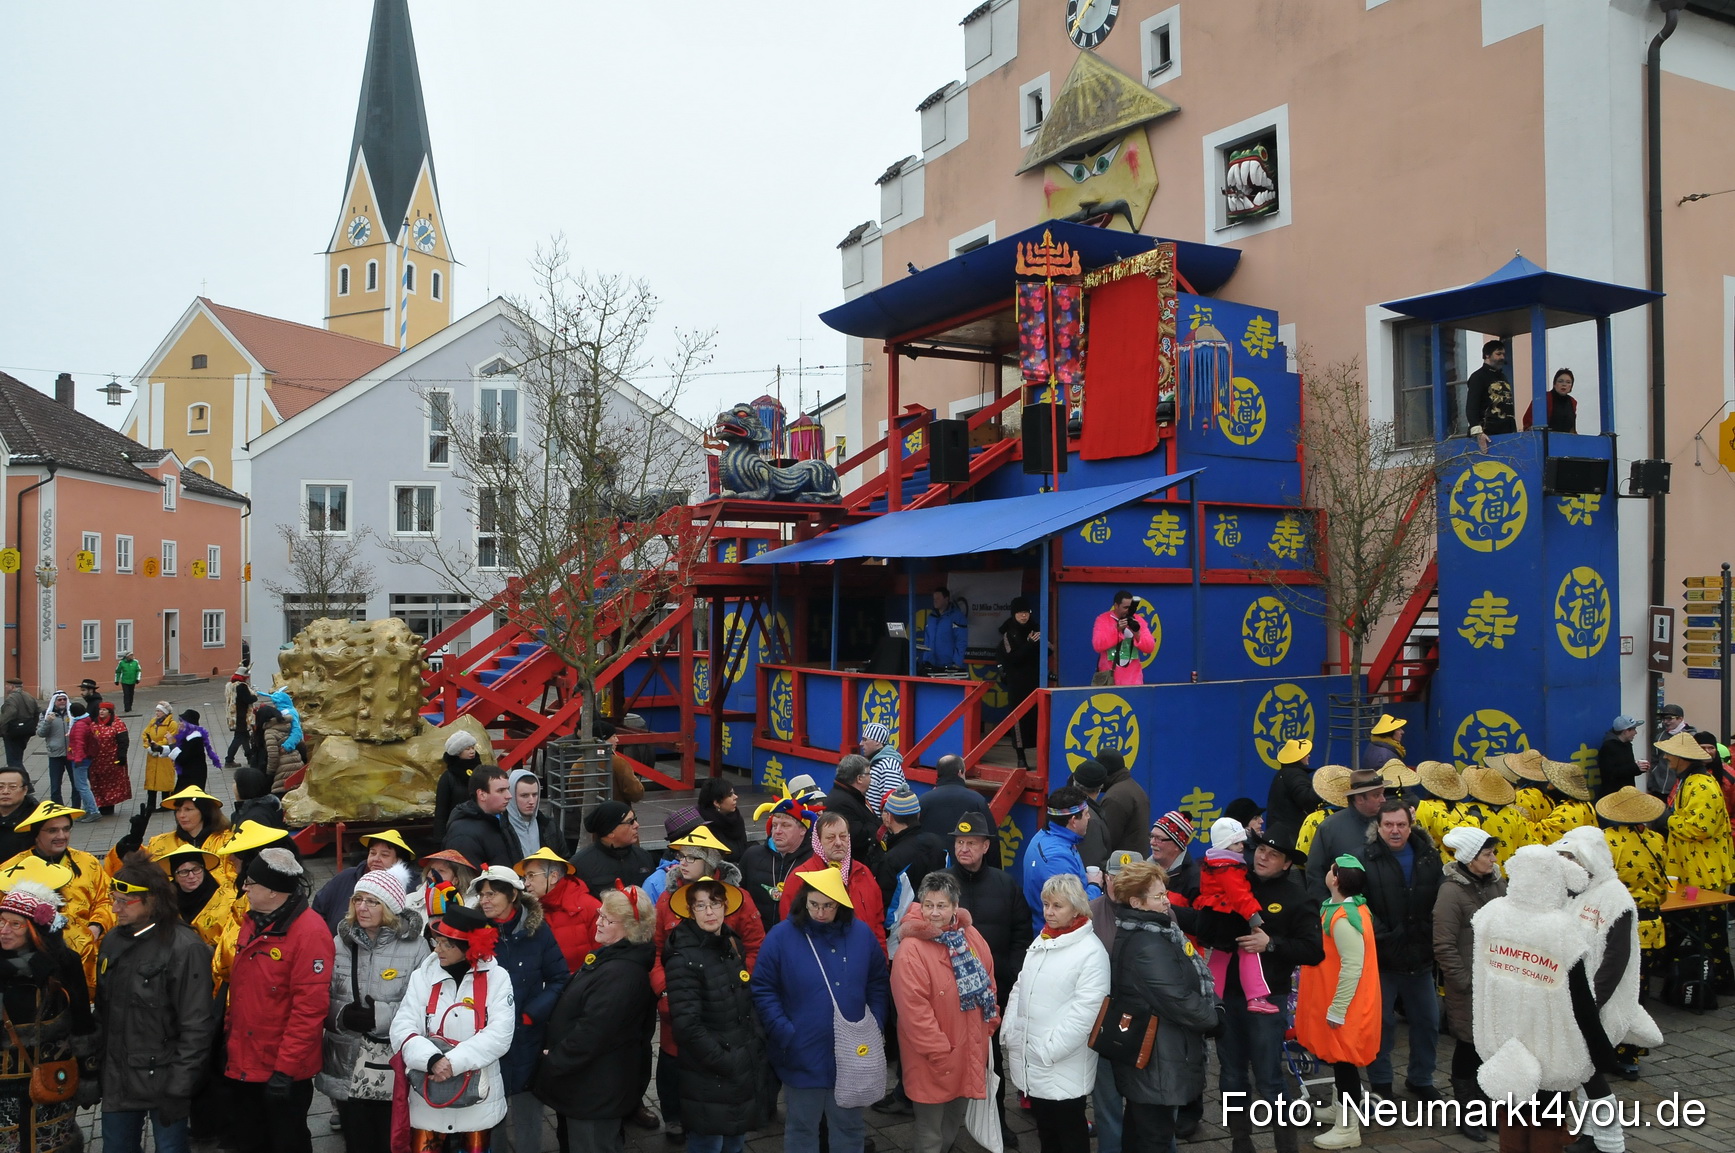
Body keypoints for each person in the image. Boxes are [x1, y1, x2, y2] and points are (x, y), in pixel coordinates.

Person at [1468, 847, 1607, 1153]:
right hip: (1549, 1044)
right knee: (1548, 1121)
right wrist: (1599, 1048)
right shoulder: (1561, 928)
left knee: (1511, 1113)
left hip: (1502, 1037)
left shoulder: (1491, 915)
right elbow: (1580, 997)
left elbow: (1479, 973)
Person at [751, 867, 891, 1153]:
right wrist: (783, 1030)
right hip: (800, 1052)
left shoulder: (861, 934)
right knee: (801, 1129)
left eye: (828, 906)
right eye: (814, 904)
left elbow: (878, 981)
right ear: (804, 901)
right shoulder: (781, 937)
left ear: (841, 904)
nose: (821, 912)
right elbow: (763, 988)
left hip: (851, 1054)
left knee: (849, 1128)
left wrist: (875, 1022)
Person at [98, 852, 219, 1153]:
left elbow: (197, 1026)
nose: (115, 909)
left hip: (165, 1080)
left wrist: (180, 1087)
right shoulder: (113, 940)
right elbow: (104, 1014)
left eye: (124, 902)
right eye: (114, 899)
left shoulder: (186, 948)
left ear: (152, 900)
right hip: (119, 1080)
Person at [1554, 826, 1664, 1153]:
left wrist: (1591, 1002)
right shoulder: (1572, 890)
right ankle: (1591, 1136)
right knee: (1584, 1070)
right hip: (1573, 997)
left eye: (1572, 857)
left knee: (1588, 1071)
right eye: (1562, 857)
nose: (1566, 864)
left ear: (1589, 859)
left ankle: (1611, 1142)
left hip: (1599, 1002)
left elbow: (1616, 958)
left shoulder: (1615, 897)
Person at [1104, 860, 1223, 1153]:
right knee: (1153, 1137)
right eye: (1158, 897)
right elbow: (1177, 998)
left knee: (1140, 1132)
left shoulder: (1156, 931)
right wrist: (1215, 1017)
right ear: (1136, 901)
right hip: (1157, 1058)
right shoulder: (1148, 945)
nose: (1166, 901)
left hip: (1154, 1056)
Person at [1214, 830, 1320, 1153]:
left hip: (1269, 997)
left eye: (1272, 854)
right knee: (1231, 1077)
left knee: (1269, 1078)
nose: (1261, 857)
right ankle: (1240, 1142)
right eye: (1259, 849)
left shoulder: (1297, 898)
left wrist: (1270, 944)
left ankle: (1286, 1146)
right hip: (1229, 996)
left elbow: (1314, 950)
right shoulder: (1236, 881)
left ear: (1287, 863)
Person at [534, 884, 660, 1153]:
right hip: (588, 1085)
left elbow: (593, 1031)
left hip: (595, 1091)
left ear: (631, 928)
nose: (598, 923)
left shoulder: (621, 974)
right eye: (600, 915)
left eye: (606, 919)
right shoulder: (613, 957)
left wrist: (554, 1060)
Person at [224, 848, 334, 1153]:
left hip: (281, 1070)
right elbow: (243, 989)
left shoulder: (310, 933)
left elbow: (309, 1011)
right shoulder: (254, 920)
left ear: (273, 892)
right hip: (246, 1060)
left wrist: (285, 1071)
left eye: (250, 883)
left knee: (287, 1141)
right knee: (250, 1140)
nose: (244, 887)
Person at [318, 863, 427, 1153]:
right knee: (357, 1140)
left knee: (389, 1139)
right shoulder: (338, 944)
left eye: (372, 901)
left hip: (391, 1065)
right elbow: (318, 996)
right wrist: (340, 1016)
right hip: (346, 1061)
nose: (362, 907)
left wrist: (379, 1016)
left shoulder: (416, 947)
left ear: (389, 907)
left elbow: (423, 1005)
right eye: (358, 900)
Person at [391, 903, 516, 1150]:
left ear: (469, 948)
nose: (437, 949)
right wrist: (431, 1060)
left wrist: (452, 1062)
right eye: (437, 941)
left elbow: (500, 1034)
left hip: (478, 1102)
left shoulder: (498, 978)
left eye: (446, 944)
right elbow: (402, 1027)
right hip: (428, 1097)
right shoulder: (423, 976)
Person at [891, 872, 998, 1153]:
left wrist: (990, 1023)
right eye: (928, 905)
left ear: (954, 907)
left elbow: (989, 982)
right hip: (932, 1057)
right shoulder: (911, 949)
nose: (934, 913)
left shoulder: (971, 937)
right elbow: (914, 1010)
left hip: (969, 1050)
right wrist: (939, 1050)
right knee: (930, 1136)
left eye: (941, 905)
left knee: (952, 1126)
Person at [1003, 873, 1110, 1153]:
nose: (1048, 912)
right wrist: (1012, 1030)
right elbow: (1020, 985)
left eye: (1057, 905)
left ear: (1076, 908)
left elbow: (1086, 1012)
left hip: (1062, 1062)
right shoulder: (1043, 940)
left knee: (1070, 1133)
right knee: (1047, 1132)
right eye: (1046, 904)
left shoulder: (1090, 952)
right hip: (1035, 1058)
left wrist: (1048, 1051)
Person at [663, 874, 768, 1153]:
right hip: (710, 1073)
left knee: (735, 1141)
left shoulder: (731, 943)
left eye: (715, 903)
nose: (710, 912)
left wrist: (753, 1043)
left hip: (739, 1064)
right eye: (700, 906)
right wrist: (726, 1061)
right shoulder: (682, 957)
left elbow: (745, 1001)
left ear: (725, 906)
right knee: (709, 1143)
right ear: (689, 911)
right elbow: (686, 1026)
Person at [468, 864, 570, 1153]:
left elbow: (559, 978)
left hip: (527, 1036)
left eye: (492, 894)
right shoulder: (471, 930)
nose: (484, 900)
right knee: (489, 1111)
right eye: (481, 894)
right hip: (485, 1037)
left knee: (527, 1111)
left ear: (513, 895)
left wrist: (530, 1014)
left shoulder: (537, 931)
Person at [944, 812, 1031, 1141]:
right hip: (949, 995)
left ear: (984, 847)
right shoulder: (940, 882)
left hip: (993, 994)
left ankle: (998, 1121)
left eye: (970, 843)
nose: (963, 848)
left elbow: (1022, 935)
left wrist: (1008, 973)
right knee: (949, 1060)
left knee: (993, 1060)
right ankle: (948, 1129)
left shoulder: (1005, 884)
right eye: (959, 842)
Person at [0, 861, 97, 1153]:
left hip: (52, 1077)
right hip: (3, 1083)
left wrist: (89, 1076)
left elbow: (82, 1022)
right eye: (1, 921)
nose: (4, 930)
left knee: (53, 1145)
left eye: (15, 924)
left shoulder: (62, 963)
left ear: (34, 929)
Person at [1356, 800, 1443, 1101]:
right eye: (1388, 825)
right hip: (1382, 957)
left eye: (1401, 825)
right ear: (1377, 827)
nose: (1395, 831)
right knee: (1381, 1025)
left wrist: (1430, 935)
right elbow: (1357, 904)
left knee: (1428, 1022)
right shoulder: (1364, 859)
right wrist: (1387, 935)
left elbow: (1440, 902)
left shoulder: (1429, 857)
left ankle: (1421, 1078)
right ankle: (1380, 1083)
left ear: (1411, 825)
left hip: (1420, 956)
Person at [1295, 857, 1380, 1151]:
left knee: (1344, 1062)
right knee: (1336, 1056)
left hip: (1347, 1004)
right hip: (1337, 1000)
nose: (1328, 871)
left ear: (1336, 879)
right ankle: (1337, 1111)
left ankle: (1348, 1127)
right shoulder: (1343, 909)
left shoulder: (1344, 917)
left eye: (1331, 868)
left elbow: (1353, 966)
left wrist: (1338, 1008)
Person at [1432, 827, 1506, 1141]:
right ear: (1469, 858)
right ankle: (1467, 1112)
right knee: (1468, 1047)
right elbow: (1444, 944)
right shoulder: (1451, 892)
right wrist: (1463, 982)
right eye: (1487, 854)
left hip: (1498, 984)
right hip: (1469, 987)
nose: (1493, 859)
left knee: (1492, 1048)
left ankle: (1487, 1107)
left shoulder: (1497, 883)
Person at [1594, 786, 1668, 1075]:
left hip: (1613, 927)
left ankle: (1605, 1051)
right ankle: (1631, 1055)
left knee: (1607, 988)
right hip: (1649, 925)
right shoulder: (1657, 840)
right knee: (1637, 992)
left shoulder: (1606, 841)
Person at [1, 800, 114, 988]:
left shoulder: (88, 862)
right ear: (36, 834)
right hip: (31, 968)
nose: (61, 836)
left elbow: (107, 899)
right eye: (52, 830)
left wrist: (97, 926)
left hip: (87, 957)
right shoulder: (11, 869)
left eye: (66, 829)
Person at [1657, 731, 1735, 988]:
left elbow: (1701, 828)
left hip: (1702, 872)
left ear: (1682, 759)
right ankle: (1665, 964)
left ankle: (1722, 980)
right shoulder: (1690, 780)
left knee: (1710, 929)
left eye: (1669, 754)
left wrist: (1666, 819)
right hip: (1689, 869)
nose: (1665, 757)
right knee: (1683, 922)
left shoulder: (1700, 784)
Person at [1195, 817, 1278, 1015]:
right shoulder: (1228, 867)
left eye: (1242, 842)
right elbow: (1239, 895)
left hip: (1214, 915)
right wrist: (1254, 916)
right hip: (1229, 916)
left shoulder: (1213, 862)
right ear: (1225, 845)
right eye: (1236, 843)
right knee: (1249, 951)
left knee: (1219, 958)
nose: (1242, 846)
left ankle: (1211, 999)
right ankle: (1256, 996)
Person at [779, 812, 887, 949]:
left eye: (843, 836)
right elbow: (790, 931)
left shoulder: (864, 873)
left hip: (863, 960)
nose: (838, 843)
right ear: (818, 841)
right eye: (830, 838)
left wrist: (881, 963)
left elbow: (878, 926)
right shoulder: (800, 877)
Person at [1022, 787, 1103, 935]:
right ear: (1073, 821)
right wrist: (1094, 885)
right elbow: (1075, 909)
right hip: (1058, 938)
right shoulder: (1057, 858)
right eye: (1086, 814)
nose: (1089, 818)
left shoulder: (1047, 836)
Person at [158, 843, 241, 986]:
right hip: (177, 973)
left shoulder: (228, 898)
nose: (191, 876)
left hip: (216, 974)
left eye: (196, 869)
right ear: (175, 876)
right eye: (183, 872)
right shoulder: (165, 903)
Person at [310, 829, 418, 933]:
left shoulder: (410, 889)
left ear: (398, 861)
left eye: (384, 855)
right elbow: (318, 909)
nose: (376, 859)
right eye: (372, 853)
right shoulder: (346, 877)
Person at [1304, 770, 1386, 902]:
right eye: (1377, 795)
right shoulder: (1329, 828)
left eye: (1383, 794)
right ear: (1359, 799)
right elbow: (1315, 875)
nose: (1383, 800)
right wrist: (1327, 910)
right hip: (1344, 913)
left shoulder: (1389, 824)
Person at [517, 846, 601, 971]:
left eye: (531, 876)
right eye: (525, 877)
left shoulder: (589, 907)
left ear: (553, 877)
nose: (526, 883)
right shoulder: (529, 910)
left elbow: (603, 954)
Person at [741, 794, 816, 930]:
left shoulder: (814, 861)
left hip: (799, 936)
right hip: (757, 938)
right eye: (775, 825)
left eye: (786, 825)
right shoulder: (752, 855)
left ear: (803, 830)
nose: (777, 831)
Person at [876, 788, 947, 913]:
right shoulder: (939, 844)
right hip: (939, 917)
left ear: (890, 817)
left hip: (904, 927)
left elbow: (885, 904)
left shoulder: (892, 859)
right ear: (918, 815)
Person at [444, 766, 524, 871]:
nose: (509, 796)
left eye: (507, 789)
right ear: (482, 795)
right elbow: (467, 880)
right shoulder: (463, 834)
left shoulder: (499, 819)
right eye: (501, 790)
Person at [920, 757, 998, 862]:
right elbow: (991, 838)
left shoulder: (924, 800)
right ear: (960, 772)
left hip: (932, 867)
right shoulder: (976, 799)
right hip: (968, 868)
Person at [571, 800, 657, 892]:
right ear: (610, 832)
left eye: (635, 819)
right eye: (630, 821)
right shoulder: (581, 865)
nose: (636, 825)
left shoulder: (643, 857)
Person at [999, 597, 1041, 766]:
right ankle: (1020, 758)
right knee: (1018, 719)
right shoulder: (1009, 633)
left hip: (1035, 681)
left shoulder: (1037, 628)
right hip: (1017, 682)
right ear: (1014, 614)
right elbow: (1011, 658)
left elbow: (1049, 651)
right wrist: (1029, 644)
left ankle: (1040, 757)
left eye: (1026, 613)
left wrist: (1038, 642)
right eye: (1020, 613)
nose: (1024, 616)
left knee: (1037, 718)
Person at [824, 755, 885, 868]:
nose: (871, 778)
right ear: (859, 779)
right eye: (869, 774)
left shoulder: (851, 797)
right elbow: (857, 837)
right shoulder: (841, 803)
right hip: (852, 868)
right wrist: (879, 825)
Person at [1091, 750, 1151, 856]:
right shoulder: (1133, 788)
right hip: (1136, 865)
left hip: (1122, 867)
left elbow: (1105, 841)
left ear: (1105, 772)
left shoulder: (1114, 797)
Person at [1091, 591, 1154, 687]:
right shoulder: (1103, 619)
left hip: (1133, 680)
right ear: (1116, 605)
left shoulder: (1137, 620)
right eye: (1125, 608)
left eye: (1130, 607)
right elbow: (1098, 645)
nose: (1128, 611)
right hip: (1109, 679)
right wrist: (1117, 631)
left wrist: (1137, 634)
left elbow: (1150, 647)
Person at [506, 767, 569, 859]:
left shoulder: (549, 826)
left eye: (535, 795)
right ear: (512, 796)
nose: (531, 801)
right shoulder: (500, 829)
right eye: (524, 795)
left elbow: (564, 859)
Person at [1264, 739, 1317, 844]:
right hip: (1291, 836)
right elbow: (1306, 799)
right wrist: (1321, 789)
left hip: (1280, 832)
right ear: (1298, 758)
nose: (1309, 756)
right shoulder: (1295, 774)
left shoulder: (1283, 773)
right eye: (1306, 754)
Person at [1464, 339, 1515, 451]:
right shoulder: (1478, 377)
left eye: (1503, 354)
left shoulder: (1503, 377)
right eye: (1498, 354)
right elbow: (1472, 406)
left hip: (1506, 433)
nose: (1502, 357)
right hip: (1488, 434)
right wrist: (1478, 432)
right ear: (1487, 355)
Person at [87, 701, 130, 816]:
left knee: (110, 784)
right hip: (97, 761)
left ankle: (109, 806)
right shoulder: (94, 723)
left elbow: (123, 741)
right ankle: (100, 804)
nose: (101, 712)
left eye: (104, 710)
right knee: (97, 783)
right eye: (100, 709)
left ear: (110, 712)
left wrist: (121, 756)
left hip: (112, 760)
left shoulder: (118, 724)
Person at [36, 693, 75, 811]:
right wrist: (47, 721)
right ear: (54, 701)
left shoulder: (72, 713)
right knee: (55, 785)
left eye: (64, 699)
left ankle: (76, 807)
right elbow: (41, 733)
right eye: (59, 700)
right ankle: (58, 809)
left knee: (76, 784)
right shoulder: (46, 714)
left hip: (71, 754)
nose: (62, 701)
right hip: (55, 754)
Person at [63, 701, 101, 821]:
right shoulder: (85, 721)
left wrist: (78, 759)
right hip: (84, 758)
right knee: (82, 786)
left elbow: (79, 744)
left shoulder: (79, 725)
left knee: (82, 786)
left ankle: (93, 811)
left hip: (80, 759)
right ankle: (88, 810)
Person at [860, 724, 907, 817]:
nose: (861, 743)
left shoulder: (888, 765)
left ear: (877, 741)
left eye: (865, 739)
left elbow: (892, 803)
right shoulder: (876, 762)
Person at [170, 709, 222, 793]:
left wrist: (171, 744)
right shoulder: (187, 737)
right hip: (187, 775)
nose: (179, 723)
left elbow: (182, 758)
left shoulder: (194, 739)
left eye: (182, 721)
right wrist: (158, 748)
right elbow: (180, 750)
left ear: (189, 724)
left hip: (193, 777)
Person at [142, 701, 181, 809]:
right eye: (156, 711)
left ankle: (166, 804)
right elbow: (145, 734)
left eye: (159, 711)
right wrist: (148, 747)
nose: (157, 713)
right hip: (153, 757)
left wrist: (157, 747)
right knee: (151, 780)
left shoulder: (172, 724)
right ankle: (151, 805)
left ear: (165, 712)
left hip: (164, 756)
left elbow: (170, 738)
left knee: (164, 780)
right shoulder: (153, 722)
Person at [697, 777, 747, 861]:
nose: (736, 797)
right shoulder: (702, 825)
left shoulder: (736, 819)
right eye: (730, 795)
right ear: (716, 802)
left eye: (734, 793)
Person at [255, 705, 300, 798]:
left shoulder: (269, 732)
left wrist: (269, 773)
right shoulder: (286, 726)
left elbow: (273, 757)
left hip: (283, 770)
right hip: (297, 764)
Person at [421, 848, 479, 919]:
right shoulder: (410, 899)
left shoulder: (474, 905)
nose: (433, 875)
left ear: (456, 879)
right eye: (431, 870)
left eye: (441, 871)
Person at [922, 587, 969, 671]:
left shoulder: (957, 616)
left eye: (938, 598)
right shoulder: (931, 617)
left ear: (946, 599)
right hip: (931, 664)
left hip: (949, 665)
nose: (935, 601)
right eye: (934, 598)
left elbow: (961, 640)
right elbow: (927, 640)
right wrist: (926, 659)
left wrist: (957, 663)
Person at [1522, 367, 1578, 432]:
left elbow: (1572, 428)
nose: (1564, 384)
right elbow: (1528, 421)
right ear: (1554, 384)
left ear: (1571, 386)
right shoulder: (1544, 398)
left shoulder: (1573, 402)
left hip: (1566, 440)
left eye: (1568, 382)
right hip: (1546, 439)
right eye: (1560, 381)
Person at [0, 678, 40, 769]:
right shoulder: (29, 696)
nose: (5, 687)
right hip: (26, 731)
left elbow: (8, 715)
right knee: (18, 757)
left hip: (13, 732)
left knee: (13, 761)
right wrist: (33, 725)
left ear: (12, 687)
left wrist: (2, 729)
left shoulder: (11, 698)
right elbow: (37, 711)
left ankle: (23, 780)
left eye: (7, 685)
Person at [0, 768, 37, 862]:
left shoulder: (36, 817)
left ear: (25, 790)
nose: (5, 791)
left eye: (12, 787)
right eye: (0, 787)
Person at [225, 668, 256, 767]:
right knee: (238, 738)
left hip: (235, 716)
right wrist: (255, 695)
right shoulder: (242, 686)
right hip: (242, 717)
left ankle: (250, 757)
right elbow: (248, 699)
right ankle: (229, 759)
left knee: (245, 738)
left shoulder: (231, 685)